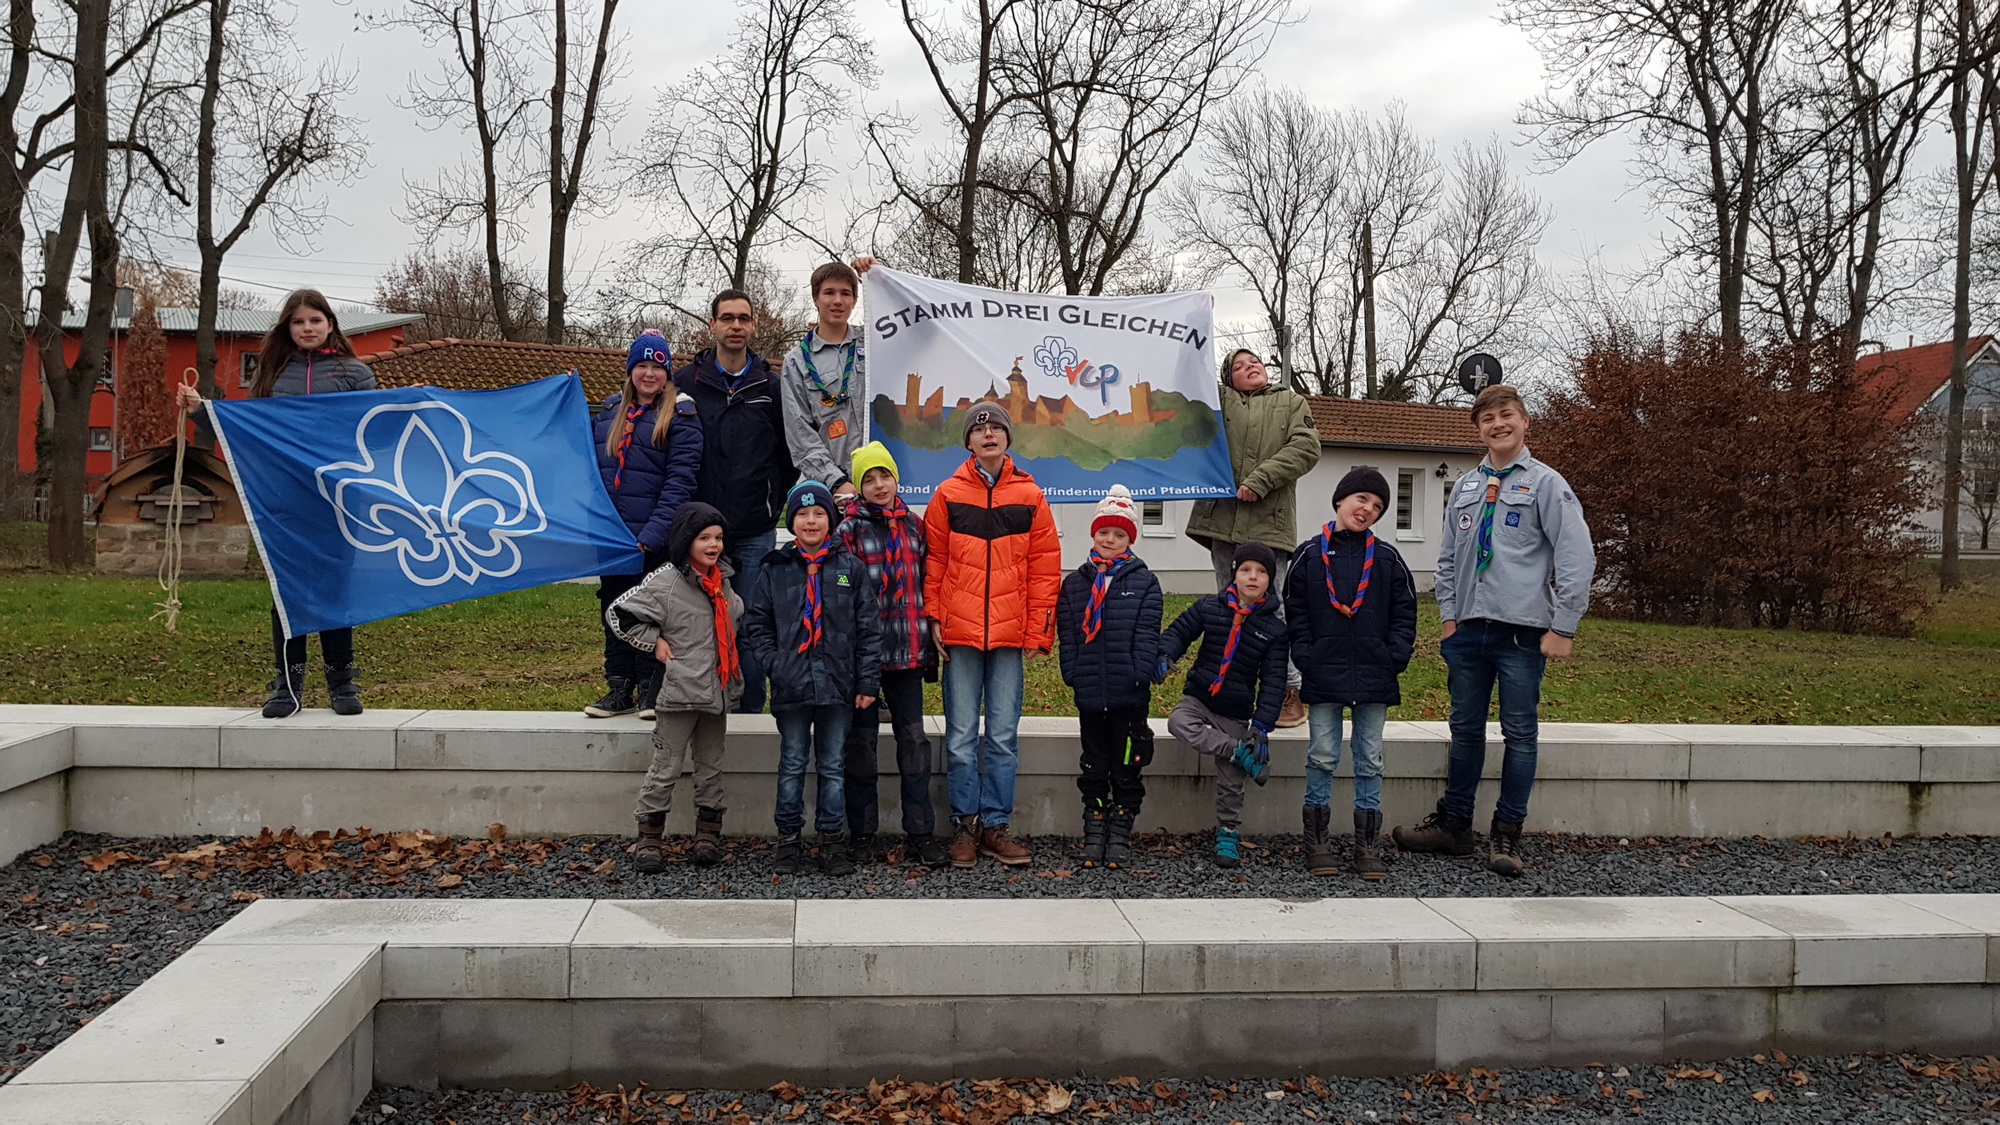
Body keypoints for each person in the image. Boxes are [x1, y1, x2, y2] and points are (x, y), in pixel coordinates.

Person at [1393, 383, 1595, 878]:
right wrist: (1447, 617)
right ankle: (1455, 826)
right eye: (1488, 419)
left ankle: (1507, 833)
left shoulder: (1547, 485)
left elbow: (1576, 555)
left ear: (1525, 422)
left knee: (1520, 733)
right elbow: (1446, 559)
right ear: (1478, 429)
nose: (1498, 424)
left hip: (1522, 632)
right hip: (1467, 632)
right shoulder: (1463, 486)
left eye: (1507, 415)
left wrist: (1564, 626)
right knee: (1464, 731)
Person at [176, 289, 376, 720]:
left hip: (337, 500)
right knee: (287, 591)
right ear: (288, 328)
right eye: (298, 322)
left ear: (330, 325)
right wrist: (198, 411)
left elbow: (372, 430)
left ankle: (342, 681)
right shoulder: (271, 373)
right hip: (284, 499)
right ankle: (287, 683)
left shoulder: (355, 373)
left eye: (315, 320)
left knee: (334, 587)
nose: (307, 328)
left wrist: (404, 406)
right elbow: (248, 429)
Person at [924, 402, 1061, 869]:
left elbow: (1045, 568)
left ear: (1007, 439)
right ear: (968, 441)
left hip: (1008, 636)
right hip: (960, 633)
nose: (988, 436)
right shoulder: (947, 494)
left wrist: (1040, 627)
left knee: (1002, 735)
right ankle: (965, 825)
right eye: (979, 430)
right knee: (962, 735)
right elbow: (935, 563)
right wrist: (934, 617)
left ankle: (996, 825)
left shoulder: (1031, 496)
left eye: (997, 428)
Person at [743, 481, 882, 877]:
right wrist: (776, 664)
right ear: (791, 521)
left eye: (819, 513)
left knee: (833, 764)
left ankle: (832, 840)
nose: (810, 521)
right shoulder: (774, 569)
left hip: (838, 686)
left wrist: (867, 683)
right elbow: (758, 625)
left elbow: (868, 630)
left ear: (831, 520)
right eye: (802, 514)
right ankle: (789, 839)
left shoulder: (849, 569)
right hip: (792, 686)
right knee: (792, 762)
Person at [1284, 467, 1417, 880]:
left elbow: (1405, 611)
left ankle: (1367, 844)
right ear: (1340, 500)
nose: (1367, 509)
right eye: (1362, 499)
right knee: (1322, 754)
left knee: (1370, 757)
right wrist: (1305, 656)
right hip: (1324, 671)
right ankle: (1317, 840)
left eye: (1377, 507)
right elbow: (1296, 610)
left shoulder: (1389, 559)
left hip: (1374, 674)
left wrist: (1394, 655)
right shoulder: (1308, 556)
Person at [1183, 349, 1321, 729]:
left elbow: (1306, 448)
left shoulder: (1290, 402)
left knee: (1271, 608)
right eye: (1240, 366)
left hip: (1268, 525)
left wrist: (1259, 480)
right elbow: (1186, 392)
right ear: (1229, 379)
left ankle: (1288, 690)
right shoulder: (1218, 401)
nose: (1251, 367)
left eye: (1255, 361)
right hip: (1223, 522)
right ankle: (1225, 693)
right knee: (1227, 611)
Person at [604, 502, 744, 871]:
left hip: (716, 692)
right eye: (704, 538)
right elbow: (619, 613)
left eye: (718, 538)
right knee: (665, 767)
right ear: (687, 541)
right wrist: (654, 642)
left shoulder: (724, 582)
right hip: (679, 694)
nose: (713, 545)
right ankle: (650, 838)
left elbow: (734, 620)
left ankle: (708, 835)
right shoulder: (665, 582)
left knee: (711, 767)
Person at [676, 289, 797, 714]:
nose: (735, 326)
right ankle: (702, 709)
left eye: (743, 318)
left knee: (749, 624)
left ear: (753, 326)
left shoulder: (772, 386)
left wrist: (771, 502)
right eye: (727, 318)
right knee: (697, 625)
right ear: (712, 325)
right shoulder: (685, 384)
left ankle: (747, 712)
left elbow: (788, 454)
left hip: (753, 530)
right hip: (698, 532)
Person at [836, 441, 946, 868]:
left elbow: (929, 582)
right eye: (869, 478)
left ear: (896, 478)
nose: (879, 485)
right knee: (861, 744)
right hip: (862, 657)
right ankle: (861, 832)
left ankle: (920, 829)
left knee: (914, 742)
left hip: (907, 651)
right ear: (859, 487)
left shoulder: (915, 527)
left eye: (885, 476)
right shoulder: (846, 532)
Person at [586, 330, 703, 720]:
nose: (649, 374)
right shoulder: (608, 416)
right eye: (642, 366)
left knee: (651, 614)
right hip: (612, 538)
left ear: (668, 372)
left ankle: (653, 687)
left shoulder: (682, 417)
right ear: (631, 370)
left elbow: (680, 482)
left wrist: (650, 536)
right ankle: (618, 686)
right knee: (614, 610)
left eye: (657, 366)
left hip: (653, 539)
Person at [1159, 543, 1289, 869]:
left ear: (1270, 581)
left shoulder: (1274, 629)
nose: (1253, 577)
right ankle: (1236, 750)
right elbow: (1180, 631)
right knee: (1178, 722)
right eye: (1246, 570)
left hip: (1235, 710)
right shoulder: (1210, 607)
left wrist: (1260, 728)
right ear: (1234, 574)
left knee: (1232, 780)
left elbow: (1273, 683)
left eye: (1261, 572)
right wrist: (1166, 654)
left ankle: (1228, 831)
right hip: (1200, 698)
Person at [1055, 485, 1163, 869]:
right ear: (1094, 534)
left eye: (1119, 534)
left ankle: (1120, 830)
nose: (1110, 540)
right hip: (1090, 690)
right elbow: (1067, 631)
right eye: (1105, 532)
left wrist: (1140, 671)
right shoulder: (1076, 583)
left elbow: (1148, 633)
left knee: (1126, 767)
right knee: (1094, 765)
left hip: (1129, 694)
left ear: (1130, 539)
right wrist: (1071, 672)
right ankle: (1095, 826)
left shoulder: (1144, 582)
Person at [780, 262, 870, 501]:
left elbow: (917, 328)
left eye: (846, 293)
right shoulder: (796, 361)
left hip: (882, 484)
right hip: (833, 492)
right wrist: (837, 482)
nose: (838, 301)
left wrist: (881, 277)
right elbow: (799, 433)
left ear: (855, 300)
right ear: (815, 299)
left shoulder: (874, 341)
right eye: (829, 292)